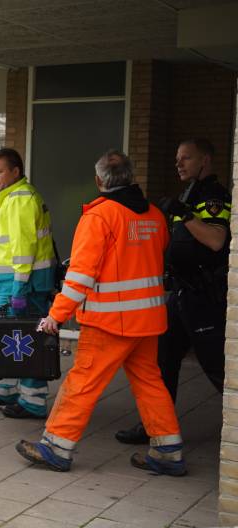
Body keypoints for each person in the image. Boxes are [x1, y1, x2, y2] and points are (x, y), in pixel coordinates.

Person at [16, 150, 186, 476]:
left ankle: (55, 448)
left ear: (98, 181)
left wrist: (56, 315)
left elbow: (80, 275)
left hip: (109, 321)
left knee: (83, 382)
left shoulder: (99, 217)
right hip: (148, 320)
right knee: (150, 383)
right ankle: (168, 451)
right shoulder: (153, 215)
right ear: (131, 177)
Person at [115, 138, 231, 445]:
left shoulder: (215, 196)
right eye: (177, 158)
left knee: (216, 366)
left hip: (203, 298)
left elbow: (216, 240)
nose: (178, 164)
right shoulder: (189, 192)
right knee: (160, 364)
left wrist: (186, 214)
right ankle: (154, 426)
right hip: (179, 294)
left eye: (186, 159)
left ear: (204, 160)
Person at [0, 148, 55, 419]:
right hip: (16, 284)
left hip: (24, 286)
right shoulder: (13, 198)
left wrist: (19, 288)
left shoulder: (20, 199)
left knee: (26, 340)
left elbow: (24, 249)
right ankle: (5, 389)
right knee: (7, 337)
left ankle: (33, 401)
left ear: (15, 172)